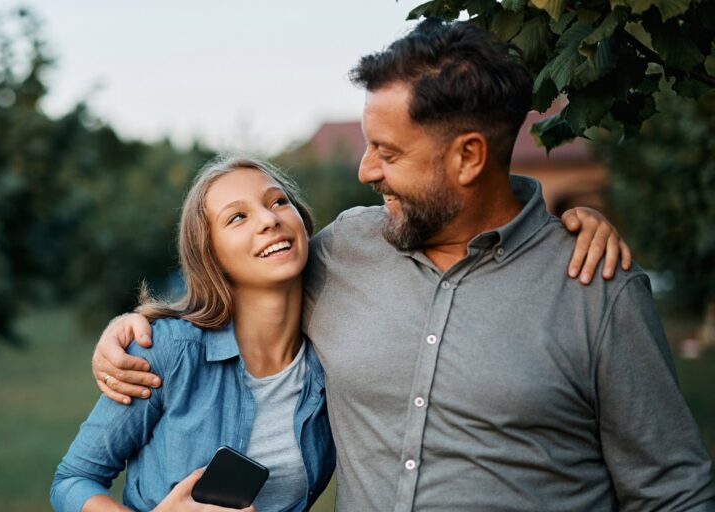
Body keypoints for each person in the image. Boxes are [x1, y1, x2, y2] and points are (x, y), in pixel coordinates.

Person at [91, 19, 715, 512]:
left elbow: (672, 490)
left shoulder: (593, 289)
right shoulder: (340, 252)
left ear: (469, 157)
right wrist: (130, 326)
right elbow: (235, 284)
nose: (365, 170)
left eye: (387, 151)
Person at [51, 158, 335, 512]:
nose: (269, 219)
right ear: (210, 255)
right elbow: (72, 481)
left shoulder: (333, 362)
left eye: (278, 201)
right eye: (237, 217)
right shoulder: (167, 350)